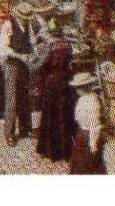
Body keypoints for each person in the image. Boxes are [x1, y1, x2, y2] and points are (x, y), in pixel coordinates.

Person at [32, 26, 77, 162]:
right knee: (63, 116)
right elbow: (71, 64)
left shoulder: (51, 49)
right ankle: (65, 150)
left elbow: (41, 67)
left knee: (50, 116)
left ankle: (51, 150)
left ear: (53, 36)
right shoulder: (68, 47)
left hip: (52, 85)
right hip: (64, 83)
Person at [0, 9, 34, 147]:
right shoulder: (9, 25)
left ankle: (25, 129)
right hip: (11, 64)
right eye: (24, 17)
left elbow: (31, 41)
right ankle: (9, 133)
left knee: (24, 96)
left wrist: (31, 53)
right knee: (12, 100)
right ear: (18, 16)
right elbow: (3, 48)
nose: (26, 19)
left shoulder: (28, 24)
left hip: (23, 64)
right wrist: (20, 56)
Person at [68, 72, 106, 174]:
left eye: (78, 87)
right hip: (81, 136)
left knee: (90, 165)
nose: (76, 90)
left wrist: (93, 145)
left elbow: (95, 126)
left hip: (89, 138)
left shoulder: (92, 102)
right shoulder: (82, 99)